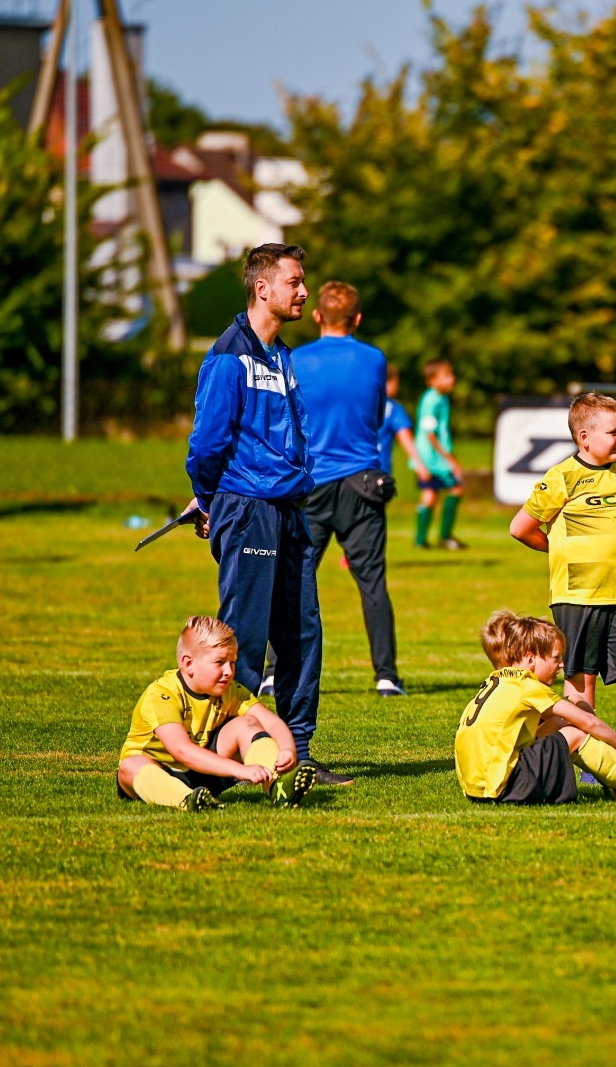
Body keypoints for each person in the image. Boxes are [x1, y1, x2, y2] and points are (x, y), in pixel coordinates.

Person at [184, 243, 350, 788]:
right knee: (245, 640)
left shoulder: (282, 356)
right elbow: (208, 442)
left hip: (289, 507)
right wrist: (208, 499)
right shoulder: (230, 355)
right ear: (263, 288)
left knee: (303, 633)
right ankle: (232, 757)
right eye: (295, 282)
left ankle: (296, 752)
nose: (304, 292)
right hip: (247, 507)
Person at [510, 392, 616, 774]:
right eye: (613, 432)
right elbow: (521, 528)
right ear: (584, 438)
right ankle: (591, 761)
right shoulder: (562, 476)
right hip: (576, 595)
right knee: (581, 681)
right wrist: (560, 553)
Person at [293, 280, 409, 697]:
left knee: (296, 579)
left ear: (317, 316)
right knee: (372, 583)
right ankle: (386, 675)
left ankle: (274, 670)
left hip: (311, 484)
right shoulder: (374, 358)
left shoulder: (296, 359)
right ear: (357, 319)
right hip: (363, 483)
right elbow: (377, 415)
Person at [454, 610, 616, 807]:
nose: (561, 665)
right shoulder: (527, 686)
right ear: (530, 658)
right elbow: (588, 724)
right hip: (501, 786)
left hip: (477, 787)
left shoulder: (499, 681)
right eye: (556, 658)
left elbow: (551, 724)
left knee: (560, 724)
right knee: (575, 733)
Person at [116, 616, 317, 811]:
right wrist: (240, 770)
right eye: (220, 662)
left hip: (203, 773)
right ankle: (186, 800)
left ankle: (279, 786)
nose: (229, 671)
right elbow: (181, 751)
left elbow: (272, 723)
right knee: (130, 765)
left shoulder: (231, 690)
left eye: (232, 662)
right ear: (188, 664)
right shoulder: (162, 695)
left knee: (246, 723)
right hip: (157, 774)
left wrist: (288, 750)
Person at [415, 358, 466, 549]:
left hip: (430, 458)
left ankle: (421, 541)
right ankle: (444, 537)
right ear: (432, 380)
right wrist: (451, 460)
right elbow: (430, 434)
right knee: (456, 488)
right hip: (433, 459)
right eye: (446, 376)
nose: (451, 379)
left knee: (430, 494)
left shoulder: (440, 397)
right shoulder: (432, 400)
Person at [379, 365, 427, 480]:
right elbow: (405, 437)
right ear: (387, 382)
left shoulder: (357, 405)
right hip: (379, 469)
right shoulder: (393, 408)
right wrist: (420, 464)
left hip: (351, 468)